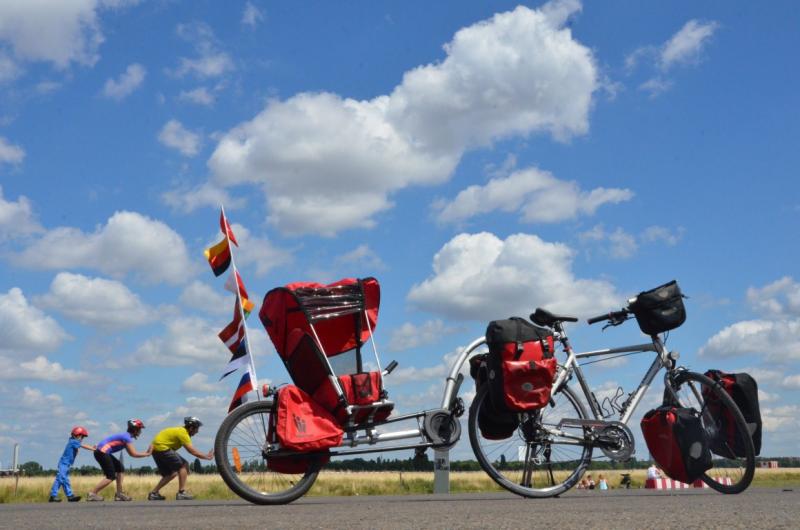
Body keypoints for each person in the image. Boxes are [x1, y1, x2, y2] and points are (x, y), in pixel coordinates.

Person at [147, 416, 213, 501]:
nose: (197, 431)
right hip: (162, 448)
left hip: (155, 449)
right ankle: (181, 493)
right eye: (197, 429)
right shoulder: (183, 433)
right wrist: (206, 456)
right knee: (183, 465)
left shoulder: (180, 431)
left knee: (170, 474)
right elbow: (192, 451)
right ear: (191, 428)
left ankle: (154, 493)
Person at [87, 419, 151, 501]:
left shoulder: (126, 436)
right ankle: (92, 494)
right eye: (140, 429)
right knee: (110, 476)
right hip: (102, 452)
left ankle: (119, 494)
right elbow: (133, 454)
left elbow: (130, 453)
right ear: (135, 429)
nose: (140, 432)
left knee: (120, 468)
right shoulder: (127, 438)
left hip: (102, 452)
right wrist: (147, 454)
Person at [49, 426, 95, 502]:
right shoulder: (73, 441)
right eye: (81, 437)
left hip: (67, 465)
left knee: (65, 480)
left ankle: (70, 496)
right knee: (60, 479)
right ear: (75, 435)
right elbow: (83, 446)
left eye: (83, 437)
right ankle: (53, 496)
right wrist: (93, 449)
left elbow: (77, 450)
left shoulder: (73, 442)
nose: (82, 439)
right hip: (63, 464)